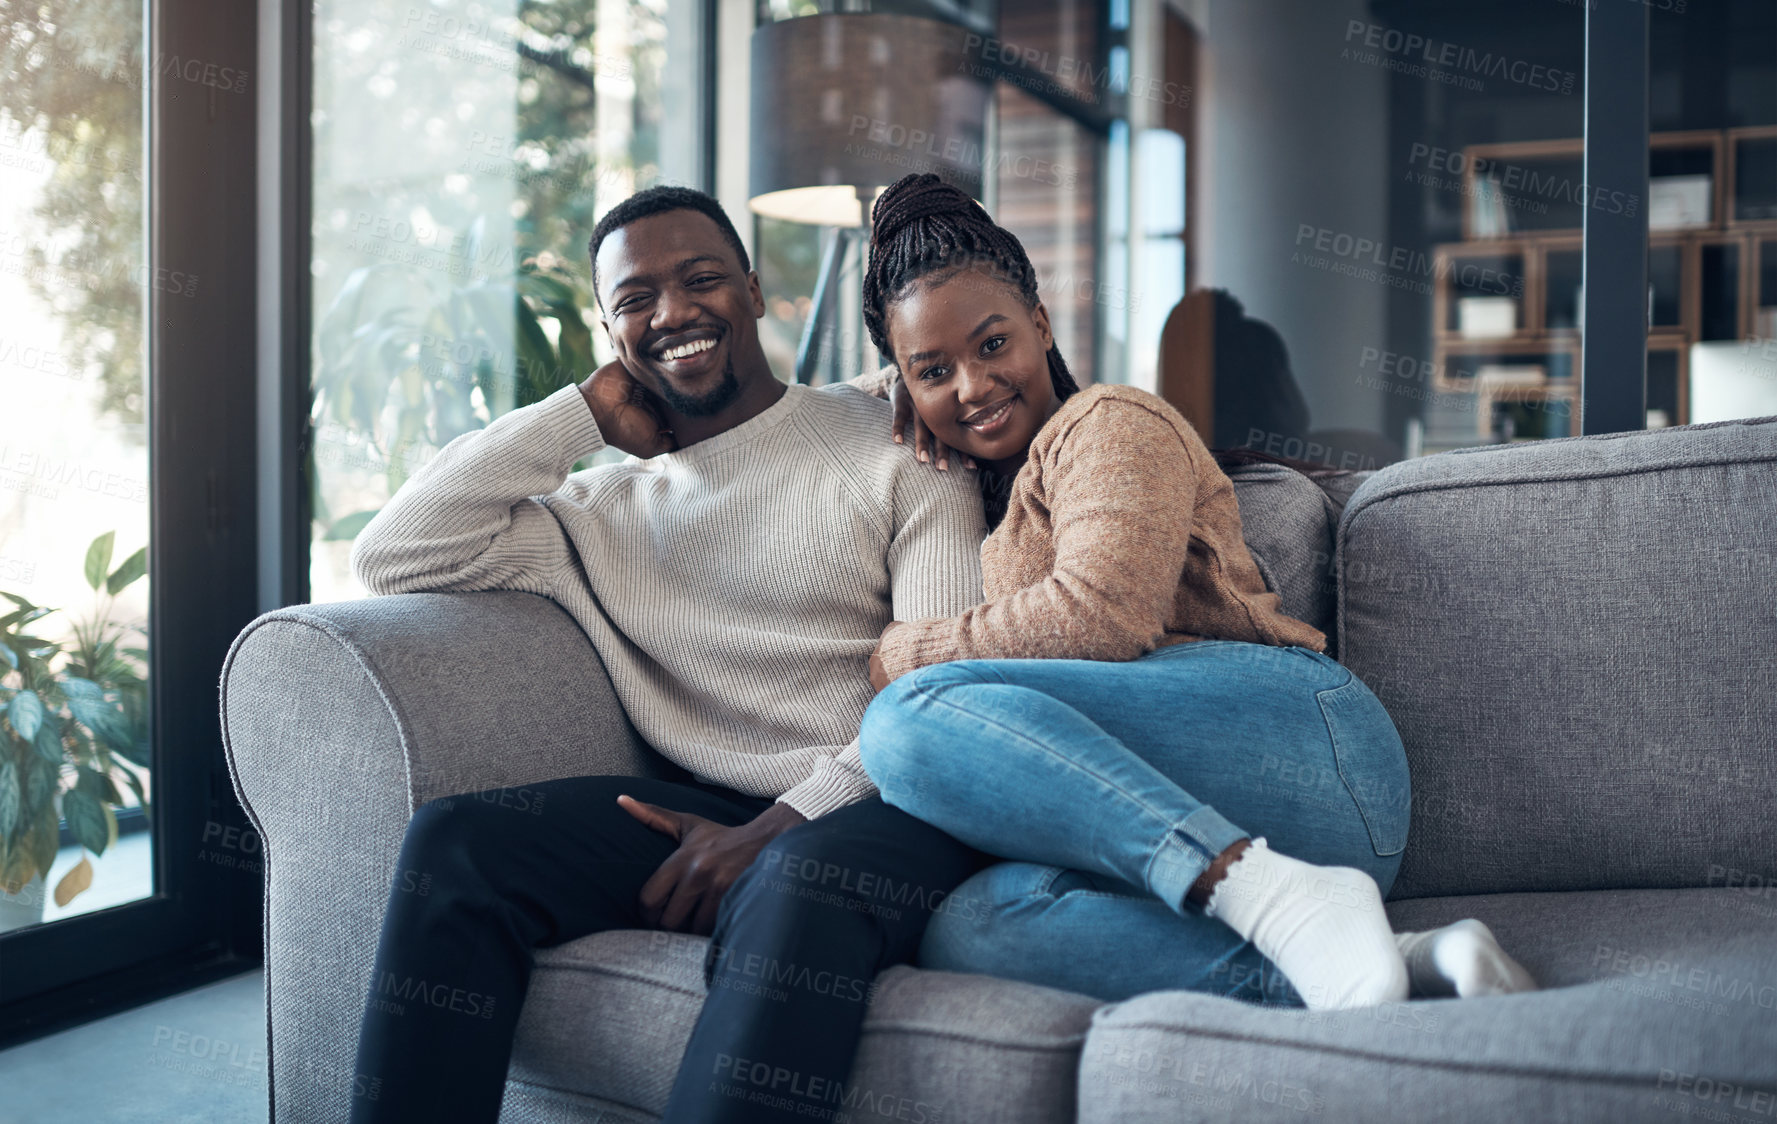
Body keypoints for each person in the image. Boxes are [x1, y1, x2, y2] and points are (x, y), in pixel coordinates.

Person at [344, 185, 1001, 1124]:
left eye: (700, 280)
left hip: (893, 798)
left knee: (795, 877)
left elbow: (934, 701)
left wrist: (785, 821)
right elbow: (391, 554)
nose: (674, 313)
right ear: (610, 332)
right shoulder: (598, 512)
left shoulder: (895, 444)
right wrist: (578, 416)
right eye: (636, 300)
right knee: (457, 845)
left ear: (754, 288)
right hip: (712, 802)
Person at [851, 173, 1537, 1010]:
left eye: (991, 345)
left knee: (904, 720)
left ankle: (1273, 895)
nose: (970, 385)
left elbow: (1100, 616)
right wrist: (879, 390)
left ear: (1039, 325)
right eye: (932, 371)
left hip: (1308, 747)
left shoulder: (1109, 423)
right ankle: (1408, 959)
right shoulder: (998, 493)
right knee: (976, 926)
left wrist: (902, 652)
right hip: (1233, 814)